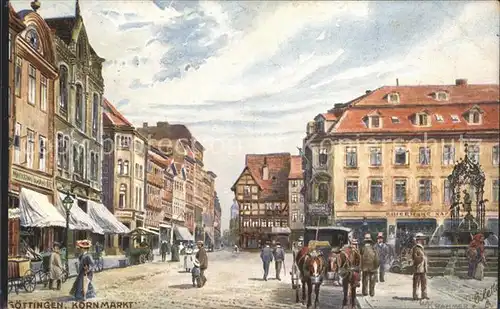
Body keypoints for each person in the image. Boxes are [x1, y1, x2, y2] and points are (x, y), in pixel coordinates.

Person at [411, 233, 429, 300]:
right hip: (418, 268)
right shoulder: (415, 248)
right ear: (419, 240)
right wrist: (422, 257)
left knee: (424, 282)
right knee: (416, 283)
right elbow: (414, 258)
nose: (423, 240)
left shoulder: (422, 247)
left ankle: (424, 295)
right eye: (422, 239)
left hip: (423, 268)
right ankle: (415, 295)